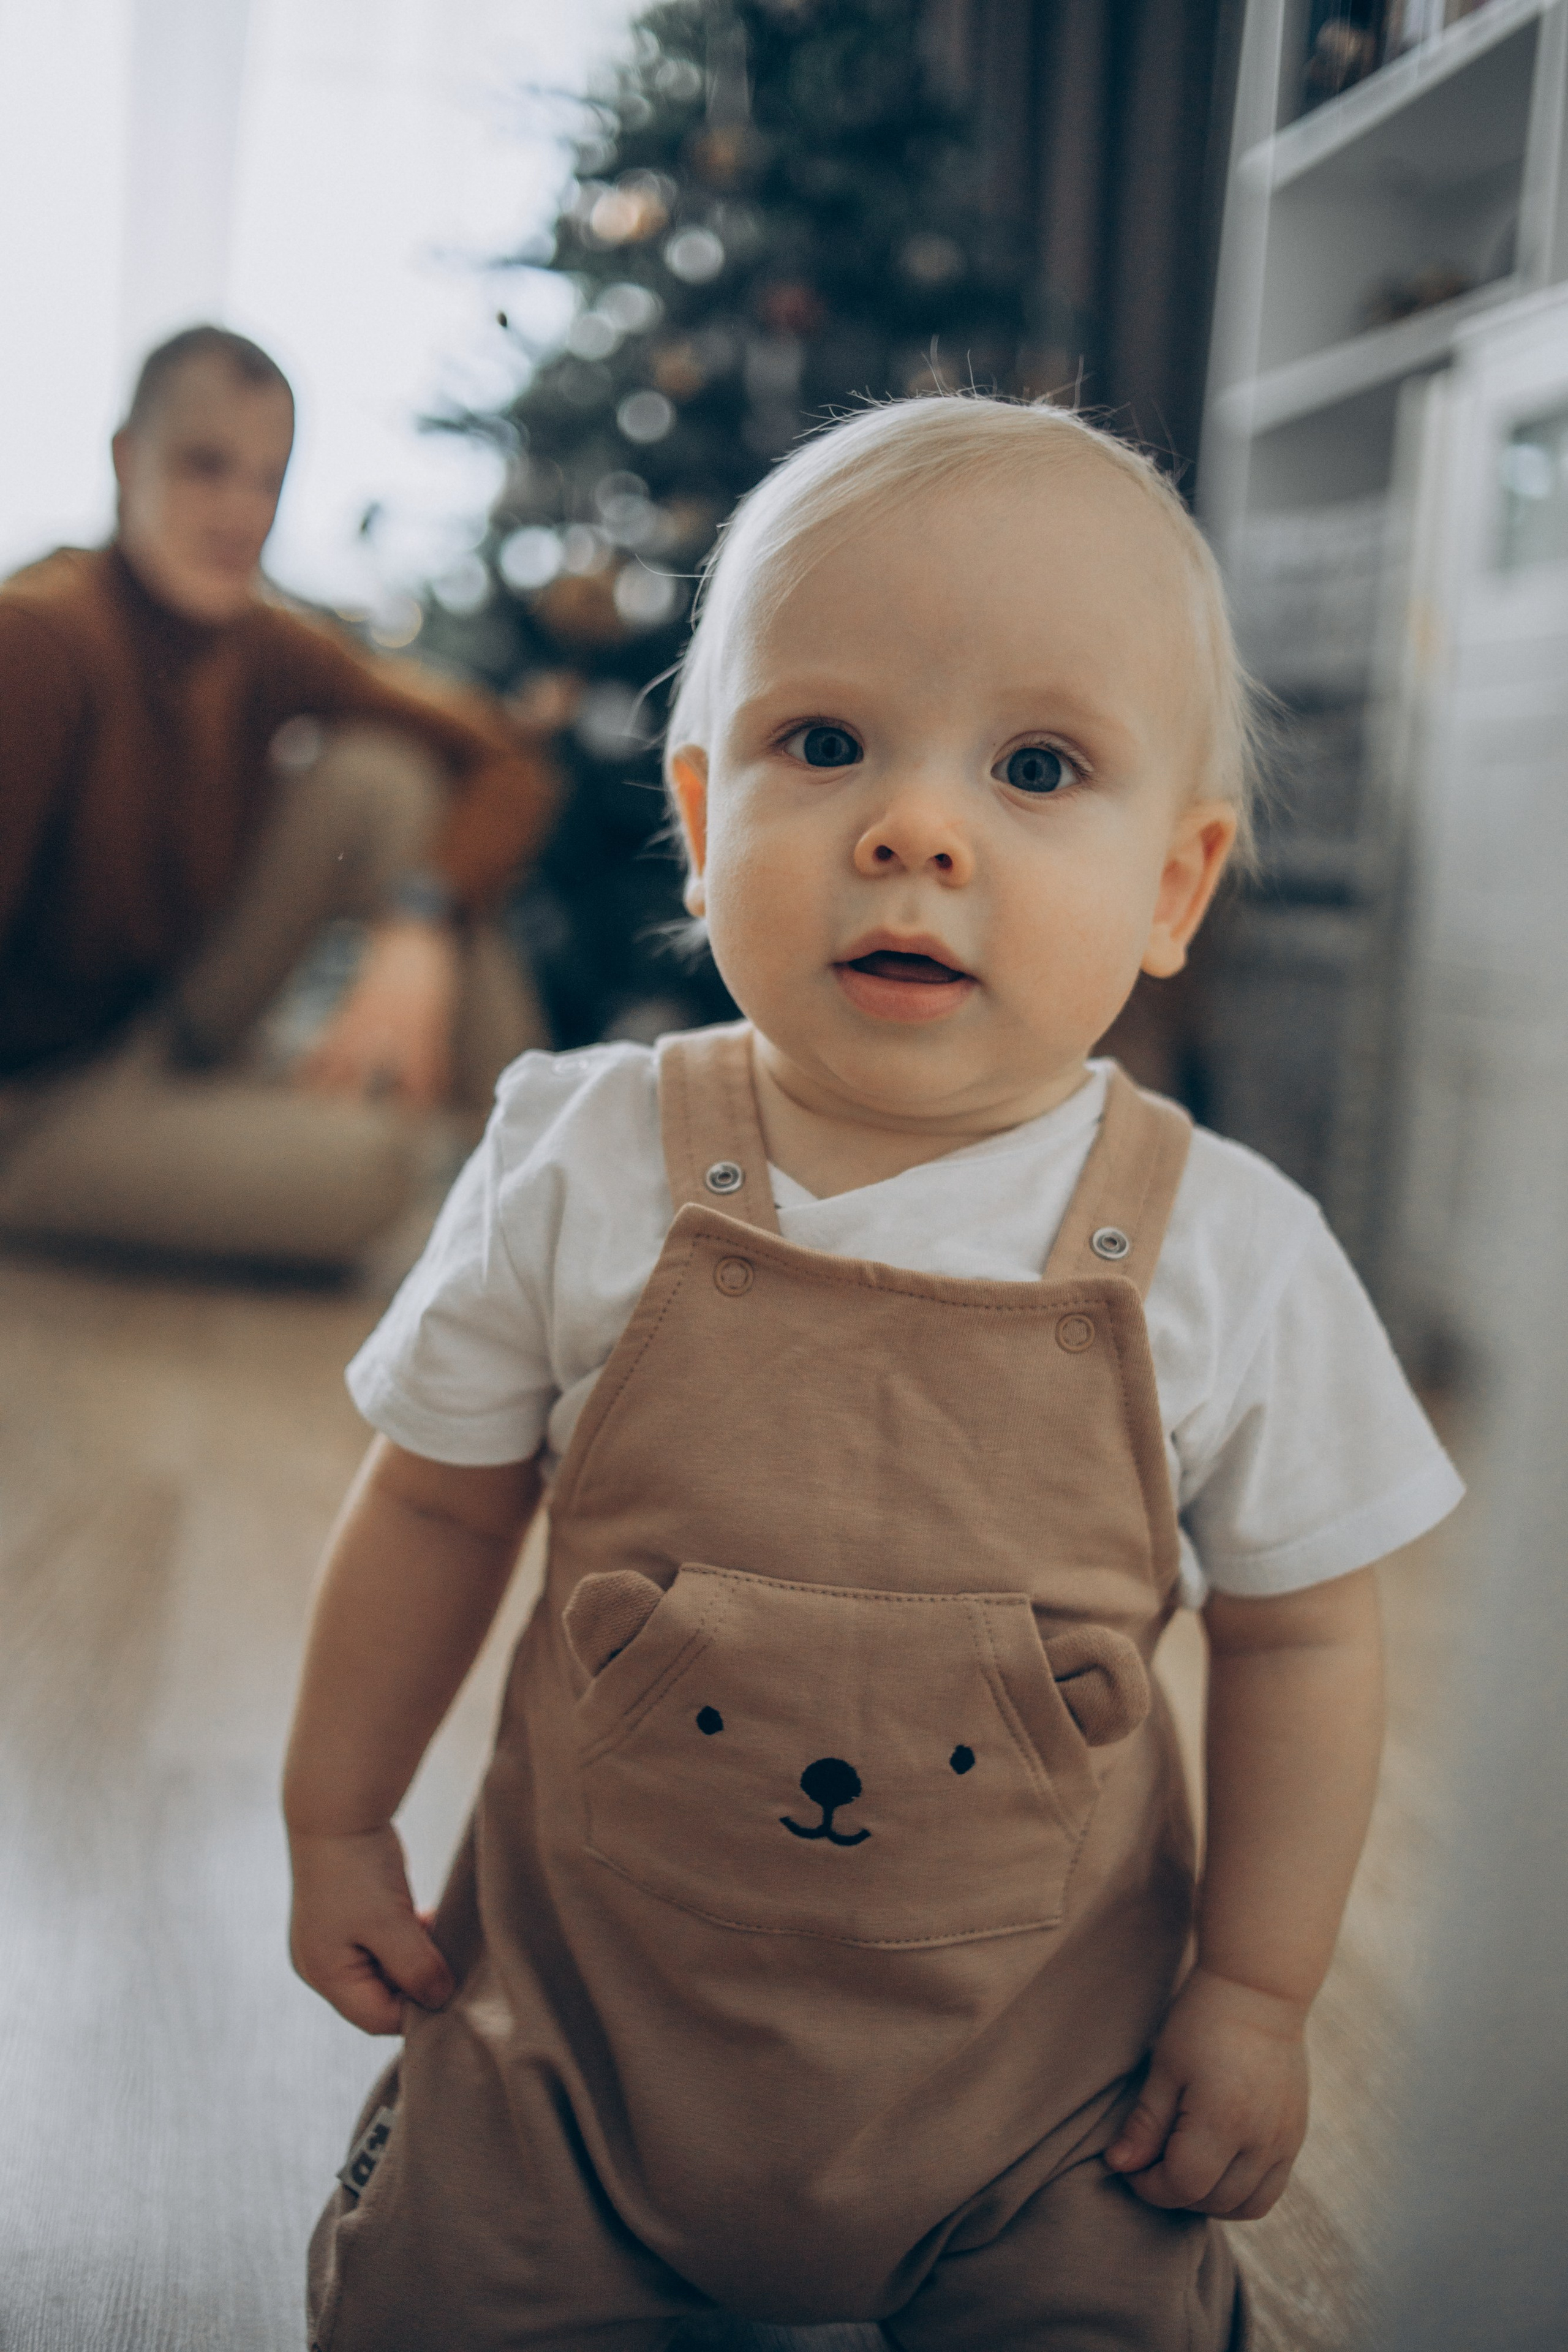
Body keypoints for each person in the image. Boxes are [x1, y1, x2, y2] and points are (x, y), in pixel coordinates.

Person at [284, 396, 1463, 2350]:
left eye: (1034, 765)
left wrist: (1251, 1998)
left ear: (1176, 889)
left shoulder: (1229, 1250)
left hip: (1040, 2104)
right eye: (820, 743)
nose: (913, 828)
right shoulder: (582, 1160)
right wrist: (338, 1814)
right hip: (573, 2061)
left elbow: (1309, 1642)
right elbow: (431, 1495)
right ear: (697, 815)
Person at [0, 325, 559, 1267]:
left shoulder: (263, 641)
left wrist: (420, 924)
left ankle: (557, 1164)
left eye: (267, 480)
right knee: (375, 1168)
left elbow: (508, 762)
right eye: (206, 468)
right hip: (37, 1103)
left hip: (169, 1020)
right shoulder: (40, 643)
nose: (240, 513)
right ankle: (549, 1201)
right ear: (125, 460)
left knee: (380, 777)